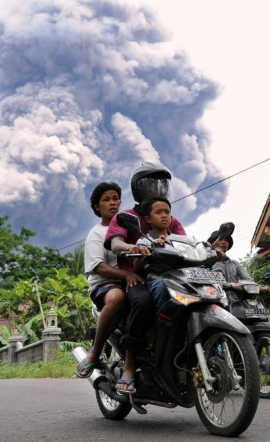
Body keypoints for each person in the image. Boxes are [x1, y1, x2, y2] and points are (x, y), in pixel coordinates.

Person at [104, 161, 186, 394]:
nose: (156, 188)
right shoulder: (125, 217)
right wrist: (131, 247)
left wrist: (208, 249)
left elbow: (184, 242)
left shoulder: (171, 219)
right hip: (137, 276)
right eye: (150, 184)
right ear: (138, 189)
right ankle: (130, 367)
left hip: (171, 275)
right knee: (143, 301)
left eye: (161, 183)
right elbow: (116, 243)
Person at [76, 182, 145, 383]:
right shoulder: (96, 233)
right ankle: (95, 352)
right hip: (105, 284)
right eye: (106, 199)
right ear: (97, 207)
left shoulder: (130, 228)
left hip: (133, 281)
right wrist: (125, 275)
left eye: (115, 198)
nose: (113, 202)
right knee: (117, 297)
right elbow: (98, 266)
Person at [134, 197, 178, 310]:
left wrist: (202, 246)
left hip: (180, 276)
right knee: (161, 286)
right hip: (158, 276)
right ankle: (164, 320)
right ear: (148, 219)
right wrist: (153, 247)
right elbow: (137, 265)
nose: (164, 215)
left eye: (167, 212)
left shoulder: (180, 239)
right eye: (158, 212)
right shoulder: (144, 240)